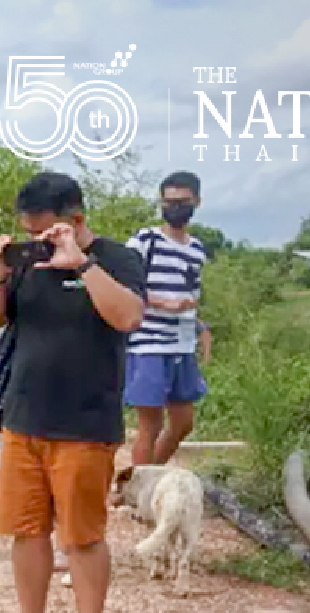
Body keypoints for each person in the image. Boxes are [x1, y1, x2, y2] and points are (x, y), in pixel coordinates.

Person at [0, 172, 146, 613]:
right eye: (29, 231)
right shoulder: (27, 265)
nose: (37, 240)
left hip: (85, 422)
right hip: (23, 417)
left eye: (46, 231)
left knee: (82, 536)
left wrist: (82, 265)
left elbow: (129, 317)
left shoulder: (116, 260)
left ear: (76, 218)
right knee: (26, 530)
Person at [126, 171, 211, 466]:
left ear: (196, 202)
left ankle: (151, 475)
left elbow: (193, 293)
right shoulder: (145, 240)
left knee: (183, 422)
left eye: (182, 202)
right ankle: (140, 484)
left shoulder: (196, 249)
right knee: (150, 424)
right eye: (169, 202)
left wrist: (197, 323)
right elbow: (124, 282)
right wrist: (162, 302)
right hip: (148, 342)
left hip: (182, 343)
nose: (175, 208)